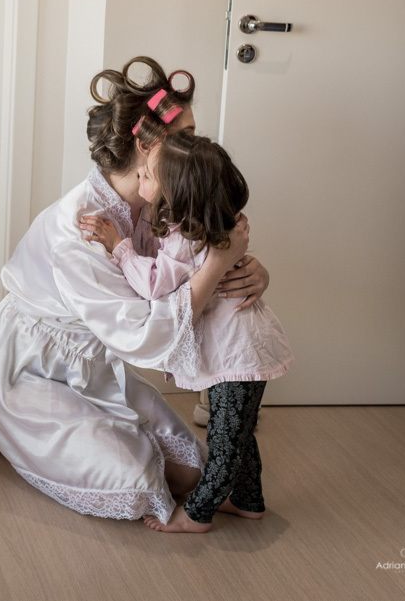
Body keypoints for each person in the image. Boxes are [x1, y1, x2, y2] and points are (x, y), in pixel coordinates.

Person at [0, 56, 270, 524]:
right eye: (185, 135)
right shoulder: (81, 227)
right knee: (137, 487)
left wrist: (247, 269)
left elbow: (192, 260)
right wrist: (218, 265)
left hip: (92, 364)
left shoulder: (162, 198)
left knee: (193, 473)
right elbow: (142, 334)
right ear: (147, 145)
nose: (195, 146)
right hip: (29, 365)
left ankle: (28, 432)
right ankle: (7, 425)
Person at [81, 127, 292, 531]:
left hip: (238, 352)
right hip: (240, 349)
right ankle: (248, 500)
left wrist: (119, 247)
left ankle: (197, 514)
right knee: (239, 432)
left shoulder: (182, 239)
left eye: (146, 177)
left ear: (173, 193)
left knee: (226, 438)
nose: (139, 180)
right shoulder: (205, 223)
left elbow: (154, 283)